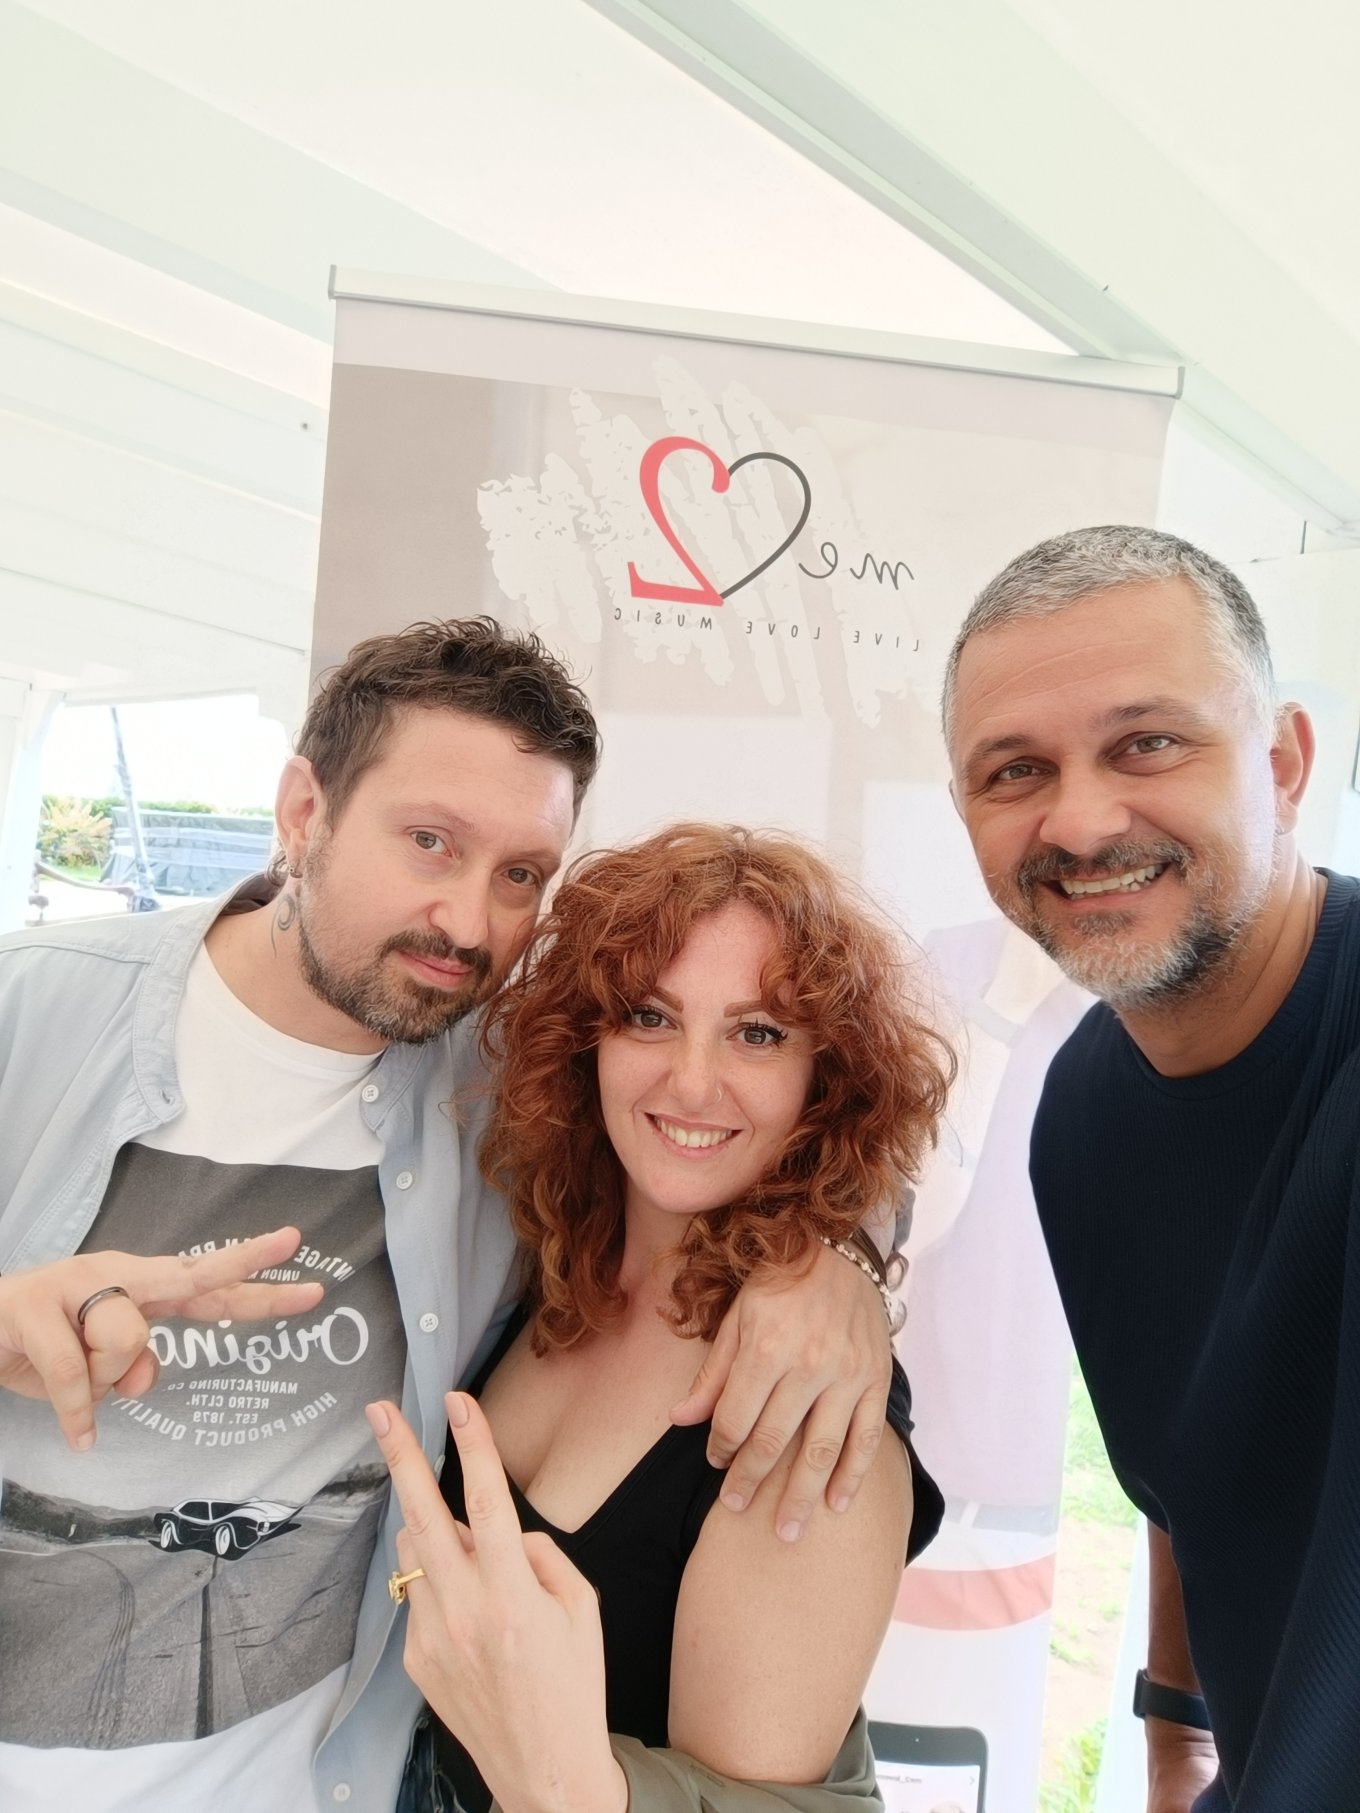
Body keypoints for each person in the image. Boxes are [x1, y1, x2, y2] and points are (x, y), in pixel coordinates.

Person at [0, 620, 903, 1813]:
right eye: (429, 841)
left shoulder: (491, 1082)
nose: (469, 925)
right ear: (303, 811)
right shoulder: (32, 1011)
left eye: (521, 874)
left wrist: (836, 1266)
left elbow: (787, 1115)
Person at [366, 824, 951, 1812]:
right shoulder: (549, 1263)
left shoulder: (802, 1405)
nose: (690, 1079)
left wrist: (562, 1784)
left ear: (827, 1076)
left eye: (757, 1032)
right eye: (648, 1016)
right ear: (586, 1040)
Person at [943, 524, 1360, 1812]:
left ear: (1282, 763)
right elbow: (1186, 1473)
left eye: (1147, 743)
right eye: (1016, 770)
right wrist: (1176, 1742)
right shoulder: (1080, 1118)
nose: (1078, 820)